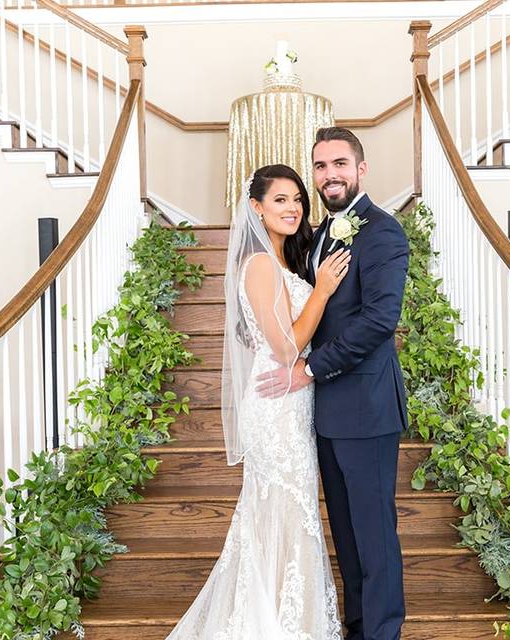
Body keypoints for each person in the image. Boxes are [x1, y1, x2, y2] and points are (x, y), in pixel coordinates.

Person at [165, 163, 351, 639]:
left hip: (292, 396)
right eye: (280, 201)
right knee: (284, 511)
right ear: (256, 207)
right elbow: (288, 347)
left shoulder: (283, 262)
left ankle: (287, 621)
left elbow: (269, 338)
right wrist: (324, 292)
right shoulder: (261, 264)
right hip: (276, 403)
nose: (292, 209)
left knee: (293, 515)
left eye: (297, 200)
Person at [256, 127, 410, 640]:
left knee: (374, 536)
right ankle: (358, 628)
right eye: (320, 167)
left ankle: (383, 632)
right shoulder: (319, 234)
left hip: (365, 408)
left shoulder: (383, 232)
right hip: (321, 416)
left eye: (339, 164)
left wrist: (310, 369)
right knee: (345, 537)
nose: (330, 175)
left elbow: (378, 321)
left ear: (361, 169)